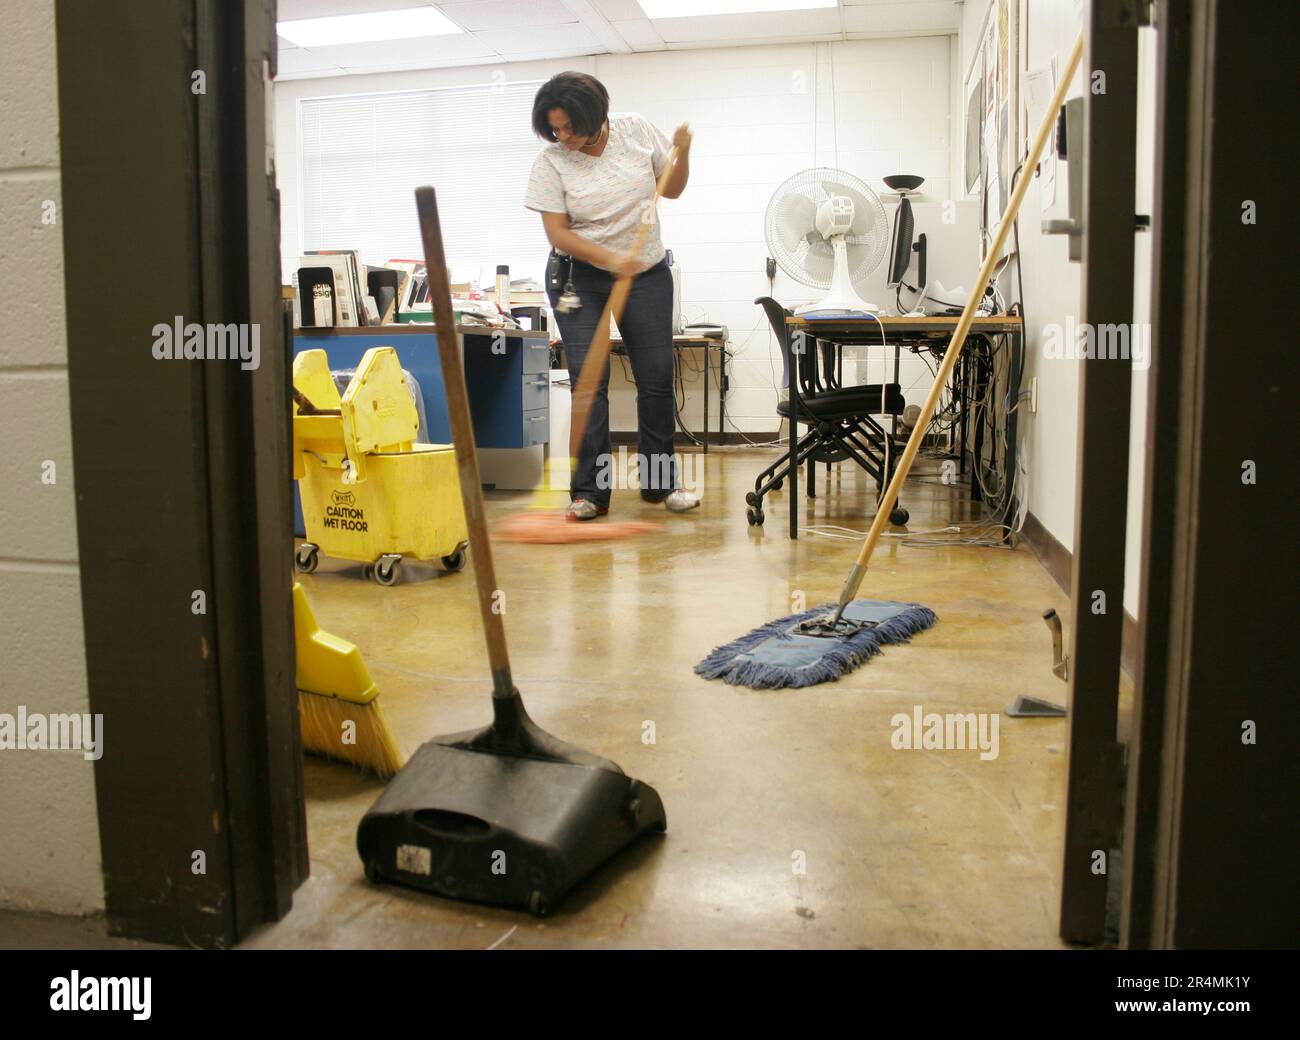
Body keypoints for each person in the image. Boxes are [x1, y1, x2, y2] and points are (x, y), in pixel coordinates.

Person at [524, 71, 700, 521]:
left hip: (646, 273)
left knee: (657, 377)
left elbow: (673, 188)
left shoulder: (635, 130)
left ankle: (661, 486)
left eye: (570, 127)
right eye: (554, 129)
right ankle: (589, 493)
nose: (562, 137)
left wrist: (683, 151)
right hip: (578, 279)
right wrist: (608, 258)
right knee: (589, 382)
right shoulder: (551, 162)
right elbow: (558, 234)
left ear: (596, 115)